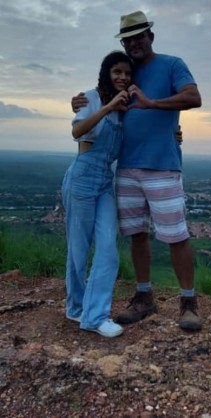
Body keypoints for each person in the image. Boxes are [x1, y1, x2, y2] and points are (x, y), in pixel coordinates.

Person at [71, 11, 202, 331]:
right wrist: (78, 101)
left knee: (176, 236)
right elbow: (99, 94)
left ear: (151, 37)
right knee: (137, 235)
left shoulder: (172, 64)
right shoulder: (124, 72)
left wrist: (151, 103)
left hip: (162, 166)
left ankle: (188, 303)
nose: (134, 43)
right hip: (126, 168)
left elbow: (193, 97)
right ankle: (144, 297)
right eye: (128, 39)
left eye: (139, 37)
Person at [62, 51, 134, 337]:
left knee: (107, 246)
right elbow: (77, 131)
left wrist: (174, 135)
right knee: (79, 249)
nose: (122, 78)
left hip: (105, 180)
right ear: (107, 73)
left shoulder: (127, 105)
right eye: (117, 72)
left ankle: (95, 316)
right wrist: (107, 107)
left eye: (127, 74)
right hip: (81, 177)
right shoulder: (90, 98)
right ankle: (75, 307)